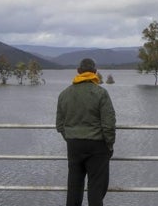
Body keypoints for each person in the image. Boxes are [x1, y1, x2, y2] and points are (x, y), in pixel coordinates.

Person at [57, 58, 116, 206]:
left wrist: (71, 137)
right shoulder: (101, 93)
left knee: (74, 189)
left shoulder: (64, 94)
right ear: (95, 72)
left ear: (78, 71)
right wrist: (109, 145)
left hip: (74, 146)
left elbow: (59, 124)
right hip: (97, 146)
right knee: (96, 189)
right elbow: (109, 125)